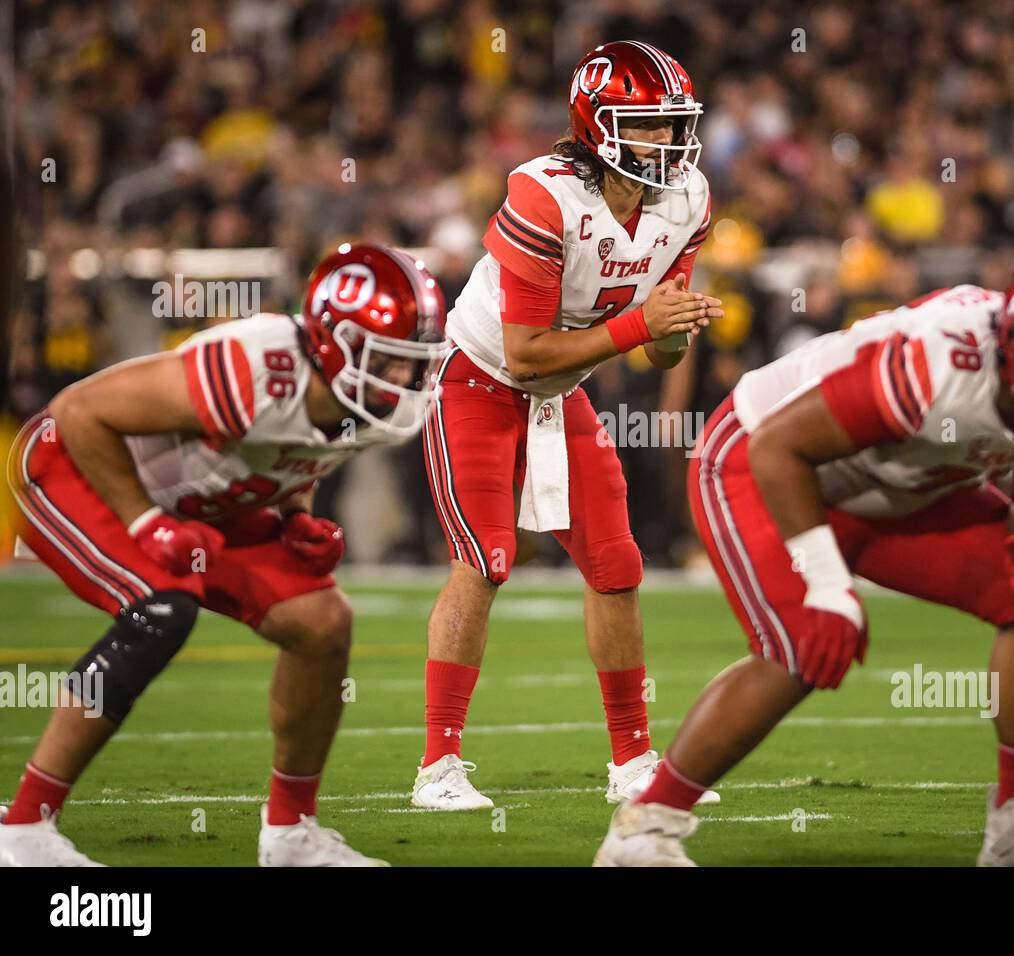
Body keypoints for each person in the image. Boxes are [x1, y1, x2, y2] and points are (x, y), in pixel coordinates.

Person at [596, 249, 1014, 866]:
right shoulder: (941, 361)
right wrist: (829, 587)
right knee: (802, 645)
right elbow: (781, 447)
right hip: (760, 460)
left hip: (899, 489)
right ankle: (641, 833)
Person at [1, 242, 444, 866]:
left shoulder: (365, 399)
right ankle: (23, 827)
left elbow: (297, 450)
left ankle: (290, 834)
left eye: (413, 362)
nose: (404, 378)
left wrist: (296, 516)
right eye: (391, 359)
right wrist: (145, 522)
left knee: (323, 622)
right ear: (333, 341)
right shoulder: (255, 366)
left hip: (196, 497)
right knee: (163, 608)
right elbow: (80, 411)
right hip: (73, 466)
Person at [413, 41, 721, 810]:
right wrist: (640, 325)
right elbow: (522, 354)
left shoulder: (687, 201)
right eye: (648, 127)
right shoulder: (545, 195)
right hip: (479, 381)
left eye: (673, 125)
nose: (668, 143)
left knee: (617, 563)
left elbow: (659, 351)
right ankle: (437, 767)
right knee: (483, 559)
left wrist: (674, 327)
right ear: (599, 127)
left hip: (561, 389)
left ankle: (634, 761)